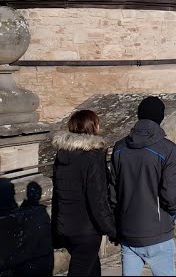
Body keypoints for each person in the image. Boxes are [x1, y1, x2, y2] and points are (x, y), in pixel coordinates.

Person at [110, 96, 176, 277]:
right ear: (161, 117)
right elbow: (170, 193)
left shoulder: (119, 147)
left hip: (128, 230)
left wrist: (119, 221)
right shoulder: (168, 149)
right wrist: (171, 216)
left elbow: (113, 193)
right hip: (157, 230)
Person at [52, 110, 117, 277]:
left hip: (66, 227)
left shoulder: (62, 154)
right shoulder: (93, 156)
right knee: (81, 268)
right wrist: (112, 229)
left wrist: (56, 229)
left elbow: (57, 195)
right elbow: (97, 199)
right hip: (86, 230)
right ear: (92, 126)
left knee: (92, 268)